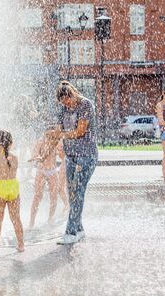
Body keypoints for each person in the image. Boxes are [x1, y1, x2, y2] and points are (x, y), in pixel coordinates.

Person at [49, 81, 98, 245]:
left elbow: (80, 131)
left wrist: (61, 134)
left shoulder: (86, 105)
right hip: (70, 156)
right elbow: (57, 132)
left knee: (78, 190)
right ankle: (79, 229)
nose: (67, 104)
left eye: (67, 101)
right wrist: (46, 153)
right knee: (72, 193)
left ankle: (70, 232)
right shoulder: (62, 109)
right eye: (63, 103)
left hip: (87, 155)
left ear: (72, 94)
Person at [0, 130, 24, 253]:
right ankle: (21, 245)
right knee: (16, 218)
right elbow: (10, 168)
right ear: (11, 143)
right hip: (13, 188)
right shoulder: (15, 158)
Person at [28, 127, 61, 228]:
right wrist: (37, 157)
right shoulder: (40, 142)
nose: (50, 138)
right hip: (41, 171)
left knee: (54, 196)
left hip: (52, 171)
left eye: (52, 136)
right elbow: (34, 154)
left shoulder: (57, 143)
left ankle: (50, 219)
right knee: (37, 196)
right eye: (48, 135)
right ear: (45, 134)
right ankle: (31, 222)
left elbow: (62, 155)